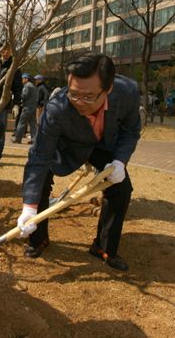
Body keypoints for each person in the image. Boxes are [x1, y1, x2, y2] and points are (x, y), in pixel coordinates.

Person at [15, 53, 141, 272]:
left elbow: (131, 130)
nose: (79, 103)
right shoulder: (57, 108)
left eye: (89, 96)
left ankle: (104, 247)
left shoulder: (128, 91)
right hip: (68, 145)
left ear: (108, 88)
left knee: (121, 189)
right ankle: (38, 239)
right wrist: (29, 207)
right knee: (41, 178)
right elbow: (39, 157)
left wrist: (120, 161)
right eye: (74, 94)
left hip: (104, 145)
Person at [12, 73, 38, 144]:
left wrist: (17, 99)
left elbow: (24, 95)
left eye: (23, 78)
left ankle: (18, 139)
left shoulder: (27, 86)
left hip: (27, 107)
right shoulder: (34, 86)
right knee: (33, 124)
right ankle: (34, 140)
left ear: (26, 79)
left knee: (21, 123)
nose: (22, 80)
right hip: (33, 107)